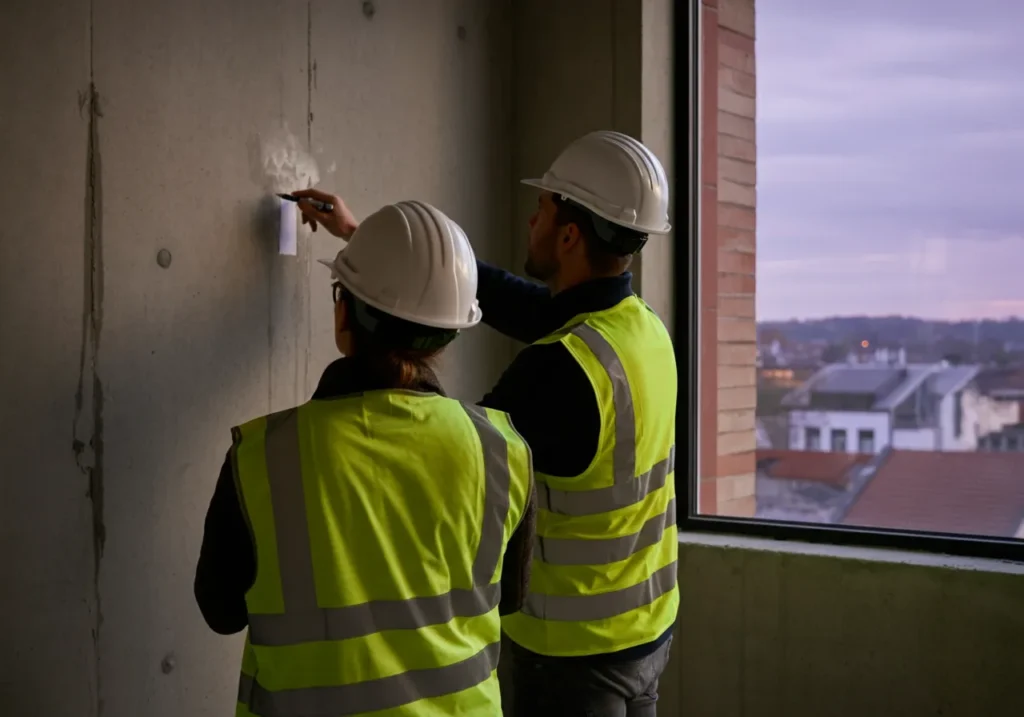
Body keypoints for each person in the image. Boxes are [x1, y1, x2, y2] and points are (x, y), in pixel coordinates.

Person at [295, 130, 678, 716]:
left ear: (570, 234)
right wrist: (369, 241)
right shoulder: (640, 328)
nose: (532, 222)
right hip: (646, 628)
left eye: (542, 209)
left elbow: (456, 456)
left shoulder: (557, 373)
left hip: (575, 655)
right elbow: (526, 304)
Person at [194, 199, 537, 717]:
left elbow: (220, 611)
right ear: (448, 332)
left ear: (343, 312)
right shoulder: (502, 450)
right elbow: (509, 598)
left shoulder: (264, 457)